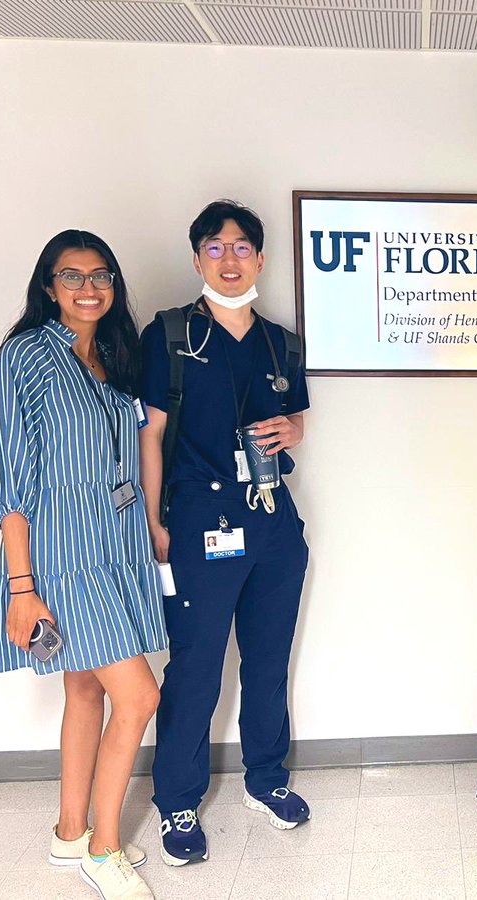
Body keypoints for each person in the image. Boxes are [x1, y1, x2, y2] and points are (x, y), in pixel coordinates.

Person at [0, 230, 165, 900]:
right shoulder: (26, 357)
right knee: (140, 696)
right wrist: (21, 588)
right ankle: (104, 850)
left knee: (86, 690)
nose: (89, 287)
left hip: (113, 547)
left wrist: (149, 528)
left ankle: (70, 832)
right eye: (71, 275)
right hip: (60, 557)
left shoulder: (114, 360)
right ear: (48, 286)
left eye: (100, 274)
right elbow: (8, 481)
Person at [139, 200, 311, 865]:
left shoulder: (280, 342)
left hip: (272, 524)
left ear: (260, 259)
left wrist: (296, 431)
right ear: (196, 258)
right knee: (197, 668)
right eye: (215, 248)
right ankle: (177, 801)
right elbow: (151, 434)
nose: (229, 260)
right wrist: (156, 521)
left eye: (241, 248)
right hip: (198, 523)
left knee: (268, 664)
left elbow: (294, 417)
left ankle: (266, 780)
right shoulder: (173, 335)